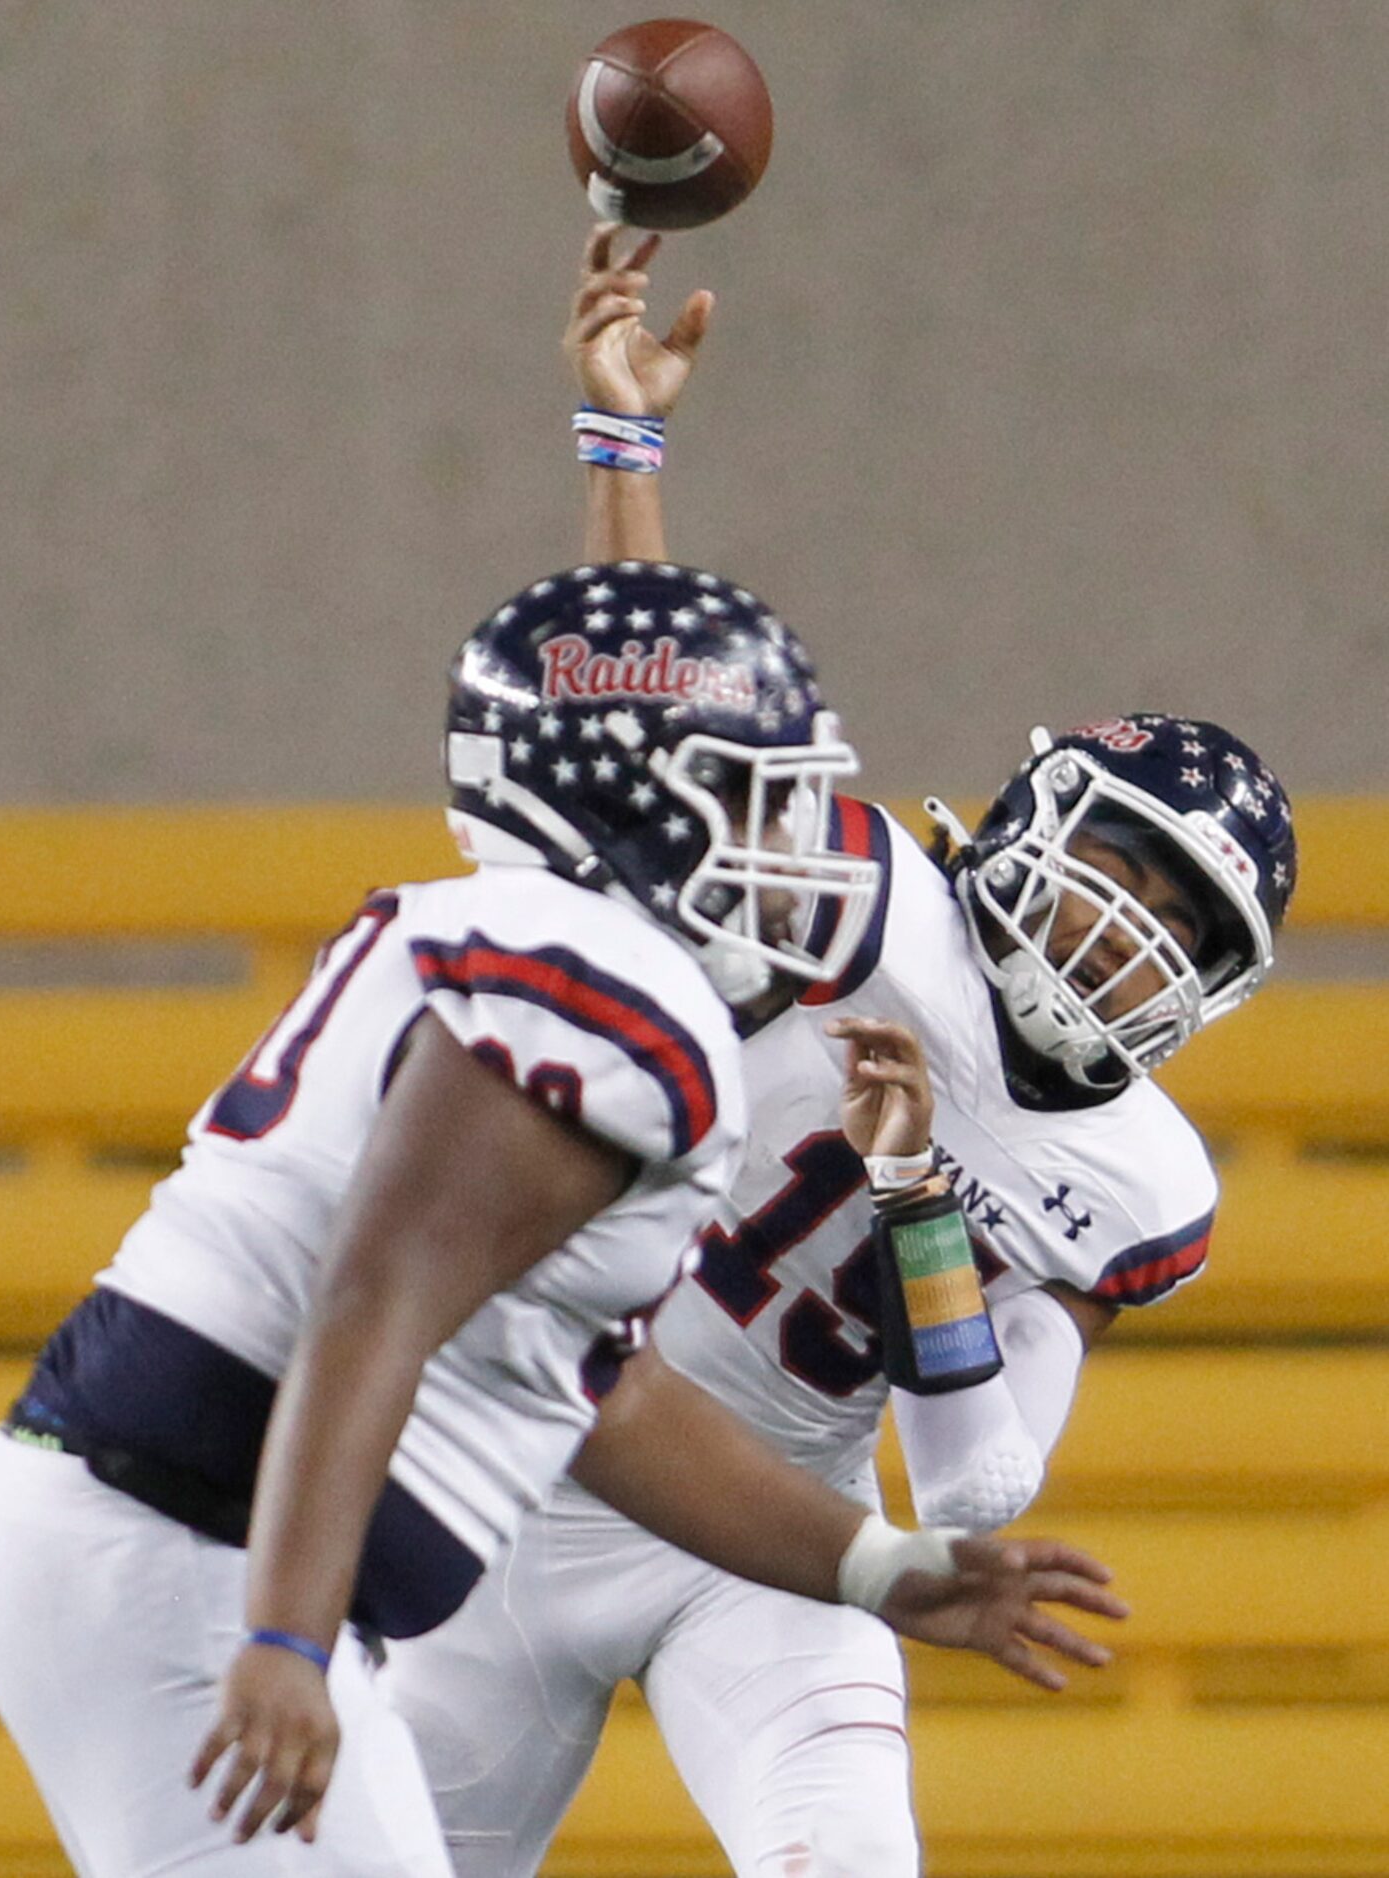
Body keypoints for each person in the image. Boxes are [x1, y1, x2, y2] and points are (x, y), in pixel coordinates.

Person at [0, 563, 1124, 1878]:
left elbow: (598, 1393)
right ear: (632, 798)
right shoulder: (612, 985)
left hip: (167, 1536)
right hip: (187, 1547)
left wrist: (878, 1569)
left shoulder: (566, 959)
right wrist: (283, 1632)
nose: (803, 843)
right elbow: (377, 1288)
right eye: (763, 796)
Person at [384, 227, 1299, 1878]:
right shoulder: (867, 893)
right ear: (1033, 815)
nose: (1121, 924)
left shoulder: (1141, 1181)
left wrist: (919, 1196)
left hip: (776, 1536)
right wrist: (625, 443)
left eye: (1179, 916)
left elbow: (976, 1488)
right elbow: (637, 752)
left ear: (1216, 988)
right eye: (1119, 864)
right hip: (543, 1448)